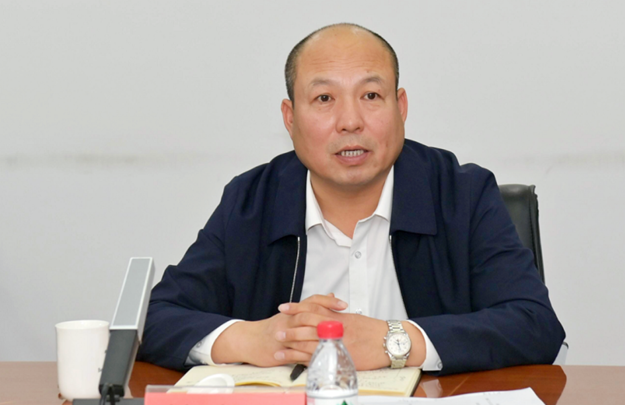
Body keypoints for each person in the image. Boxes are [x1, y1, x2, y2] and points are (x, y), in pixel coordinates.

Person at [137, 23, 565, 375]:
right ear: (290, 117)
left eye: (371, 96)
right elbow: (155, 319)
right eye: (324, 99)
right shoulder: (251, 202)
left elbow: (534, 324)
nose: (350, 122)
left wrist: (392, 341)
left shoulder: (461, 195)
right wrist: (258, 338)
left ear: (400, 107)